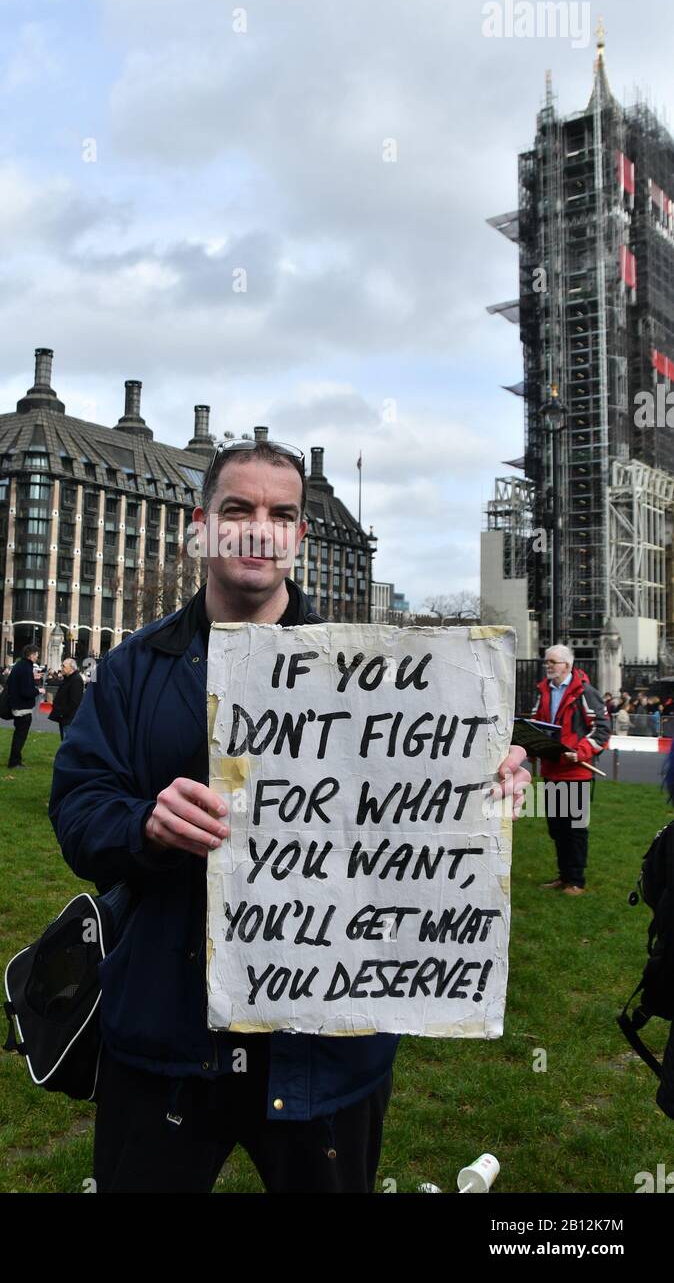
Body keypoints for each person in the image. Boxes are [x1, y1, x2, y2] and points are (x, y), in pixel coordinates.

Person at [49, 438, 531, 1194]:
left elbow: (419, 826)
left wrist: (480, 781)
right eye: (236, 509)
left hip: (326, 1046)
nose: (257, 529)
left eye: (280, 514)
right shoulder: (132, 669)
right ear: (201, 526)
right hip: (168, 1037)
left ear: (299, 537)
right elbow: (78, 810)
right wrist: (144, 822)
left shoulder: (379, 677)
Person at [533, 643, 611, 895]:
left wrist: (579, 753)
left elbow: (602, 729)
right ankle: (564, 875)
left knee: (575, 828)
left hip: (576, 773)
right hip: (551, 770)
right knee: (556, 827)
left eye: (552, 662)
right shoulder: (543, 691)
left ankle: (576, 880)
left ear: (567, 665)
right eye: (547, 662)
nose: (548, 666)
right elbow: (537, 724)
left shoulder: (586, 693)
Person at [6, 643, 40, 769]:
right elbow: (26, 692)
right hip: (22, 708)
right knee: (20, 737)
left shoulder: (19, 666)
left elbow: (11, 683)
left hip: (16, 706)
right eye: (36, 655)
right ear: (31, 655)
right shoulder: (26, 668)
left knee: (18, 735)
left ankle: (16, 760)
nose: (37, 657)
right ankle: (14, 762)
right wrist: (37, 691)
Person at [48, 658, 83, 741]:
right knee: (64, 742)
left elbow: (74, 702)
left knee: (67, 743)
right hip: (64, 718)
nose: (61, 668)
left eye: (64, 666)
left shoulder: (76, 680)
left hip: (69, 719)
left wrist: (62, 713)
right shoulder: (68, 678)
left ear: (71, 668)